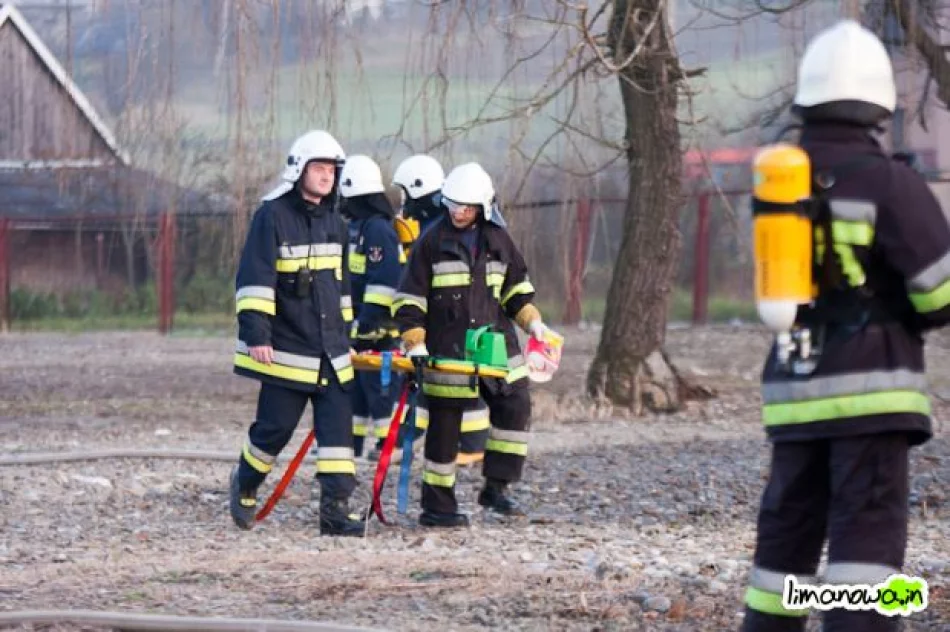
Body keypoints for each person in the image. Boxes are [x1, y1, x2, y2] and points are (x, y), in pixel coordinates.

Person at [741, 20, 950, 632]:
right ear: (878, 101)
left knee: (786, 537)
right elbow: (940, 293)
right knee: (864, 541)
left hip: (792, 388)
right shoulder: (889, 181)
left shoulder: (779, 179)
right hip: (871, 393)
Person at [392, 162, 559, 528]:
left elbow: (516, 291)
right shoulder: (430, 242)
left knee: (516, 404)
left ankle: (496, 487)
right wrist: (414, 343)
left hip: (495, 342)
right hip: (445, 346)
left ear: (482, 207)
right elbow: (408, 299)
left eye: (466, 207)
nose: (458, 212)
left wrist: (533, 323)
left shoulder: (500, 240)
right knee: (444, 427)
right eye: (453, 204)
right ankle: (438, 507)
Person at [229, 129, 365, 537]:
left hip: (332, 352)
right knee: (273, 431)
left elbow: (342, 288)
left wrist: (348, 337)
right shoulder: (271, 217)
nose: (327, 176)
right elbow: (255, 279)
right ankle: (246, 482)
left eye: (332, 170)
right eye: (319, 168)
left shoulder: (336, 223)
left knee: (339, 437)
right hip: (288, 349)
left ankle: (335, 513)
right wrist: (257, 335)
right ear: (299, 170)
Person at [391, 154, 490, 466]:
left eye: (406, 194)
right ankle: (418, 438)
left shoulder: (439, 230)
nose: (404, 202)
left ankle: (470, 445)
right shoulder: (437, 225)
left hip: (452, 321)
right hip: (444, 320)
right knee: (435, 381)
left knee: (462, 379)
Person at [338, 154, 405, 458]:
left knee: (381, 388)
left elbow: (384, 281)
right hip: (360, 323)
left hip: (378, 328)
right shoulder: (359, 228)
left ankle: (389, 444)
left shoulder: (377, 230)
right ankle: (351, 445)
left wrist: (367, 320)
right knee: (357, 389)